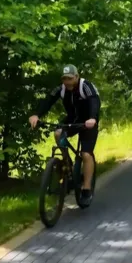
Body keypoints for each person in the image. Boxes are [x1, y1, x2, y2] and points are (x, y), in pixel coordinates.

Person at [29, 64, 101, 202]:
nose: (67, 82)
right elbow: (48, 101)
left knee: (86, 154)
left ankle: (86, 189)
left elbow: (94, 101)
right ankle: (67, 164)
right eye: (64, 79)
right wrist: (36, 114)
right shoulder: (61, 89)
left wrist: (93, 118)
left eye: (69, 78)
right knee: (57, 134)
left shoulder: (85, 86)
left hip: (88, 122)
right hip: (72, 120)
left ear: (76, 77)